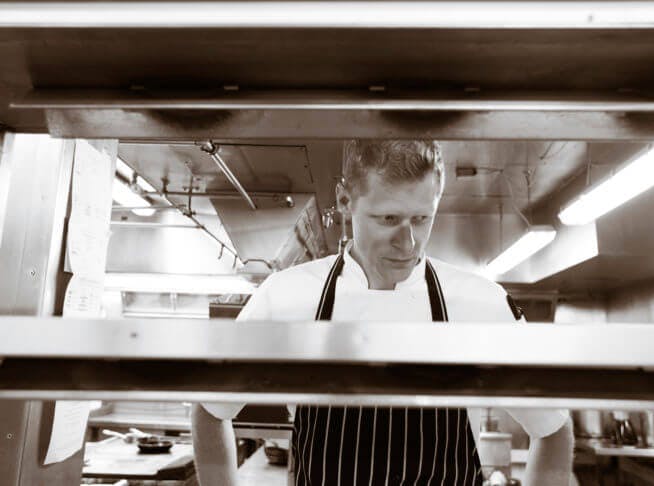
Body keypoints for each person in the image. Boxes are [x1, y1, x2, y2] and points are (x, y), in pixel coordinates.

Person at [192, 140, 574, 485]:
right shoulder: (287, 297)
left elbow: (553, 430)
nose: (408, 242)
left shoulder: (481, 303)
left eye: (422, 219)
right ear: (345, 201)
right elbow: (210, 410)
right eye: (388, 219)